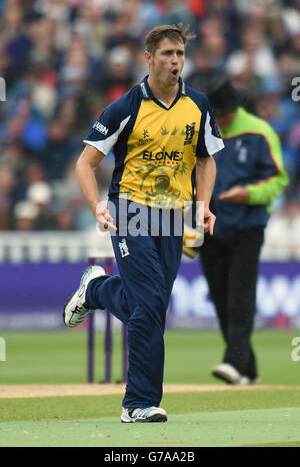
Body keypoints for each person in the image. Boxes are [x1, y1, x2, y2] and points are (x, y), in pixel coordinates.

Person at [63, 24, 224, 423]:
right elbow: (85, 163)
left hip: (174, 217)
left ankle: (96, 288)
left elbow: (206, 159)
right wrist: (97, 205)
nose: (175, 62)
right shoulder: (125, 107)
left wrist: (202, 204)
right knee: (151, 304)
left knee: (147, 305)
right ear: (149, 59)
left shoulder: (198, 104)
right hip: (131, 212)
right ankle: (138, 403)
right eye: (168, 54)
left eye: (181, 55)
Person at [185, 75, 289, 385]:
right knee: (219, 299)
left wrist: (249, 194)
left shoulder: (259, 132)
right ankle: (249, 370)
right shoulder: (201, 133)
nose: (221, 117)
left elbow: (278, 181)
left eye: (223, 112)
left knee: (240, 296)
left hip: (247, 227)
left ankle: (233, 362)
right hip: (210, 228)